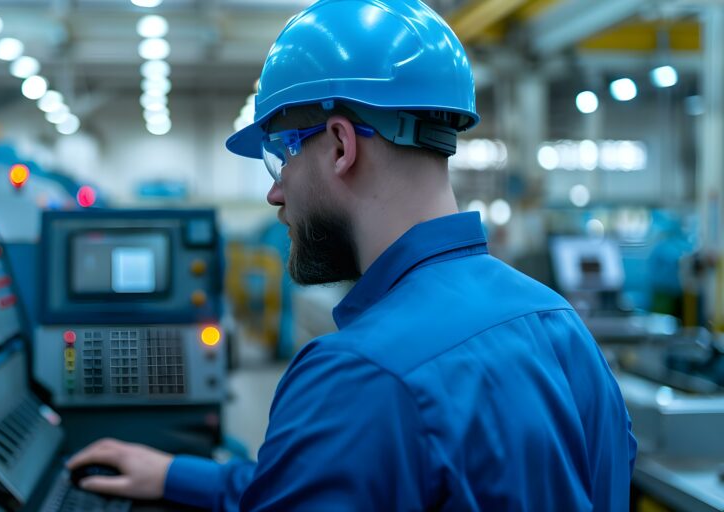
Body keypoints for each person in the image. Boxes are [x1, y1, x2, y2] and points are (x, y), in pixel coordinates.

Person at [68, 0, 637, 509]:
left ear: (340, 145)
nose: (274, 191)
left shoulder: (358, 376)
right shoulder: (562, 331)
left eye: (281, 157)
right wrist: (179, 476)